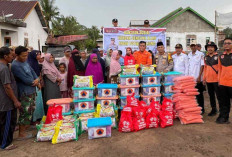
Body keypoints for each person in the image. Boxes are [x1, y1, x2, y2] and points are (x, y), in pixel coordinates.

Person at [11, 46, 39, 139]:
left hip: (31, 90)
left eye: (26, 56)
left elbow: (32, 71)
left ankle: (26, 127)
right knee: (25, 112)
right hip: (24, 92)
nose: (25, 58)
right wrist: (34, 82)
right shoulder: (15, 65)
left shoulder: (25, 62)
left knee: (31, 110)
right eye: (23, 56)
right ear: (17, 55)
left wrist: (37, 79)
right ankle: (21, 134)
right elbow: (25, 79)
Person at [0, 47, 20, 150]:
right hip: (6, 101)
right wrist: (15, 100)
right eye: (11, 55)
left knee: (3, 122)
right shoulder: (3, 68)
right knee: (7, 122)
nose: (12, 57)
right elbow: (7, 87)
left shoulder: (4, 66)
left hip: (3, 101)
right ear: (5, 56)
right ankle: (5, 144)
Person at [216, 38, 232, 124]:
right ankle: (224, 118)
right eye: (225, 43)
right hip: (223, 83)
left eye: (229, 43)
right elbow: (220, 69)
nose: (227, 45)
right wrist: (219, 81)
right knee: (224, 102)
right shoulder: (221, 56)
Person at [203, 42, 220, 116]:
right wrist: (204, 78)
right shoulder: (205, 57)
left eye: (211, 47)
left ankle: (222, 111)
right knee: (211, 96)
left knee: (219, 96)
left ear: (214, 48)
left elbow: (220, 69)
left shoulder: (218, 56)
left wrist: (220, 79)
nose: (209, 48)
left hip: (217, 80)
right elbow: (205, 69)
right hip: (208, 80)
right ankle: (213, 109)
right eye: (208, 47)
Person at [27, 50, 45, 122]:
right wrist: (37, 82)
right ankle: (34, 119)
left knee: (39, 101)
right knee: (35, 101)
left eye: (40, 55)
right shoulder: (30, 63)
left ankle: (38, 117)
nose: (39, 56)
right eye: (38, 55)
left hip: (38, 83)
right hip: (34, 84)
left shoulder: (35, 62)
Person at [188, 44, 205, 114]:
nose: (193, 47)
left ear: (196, 46)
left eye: (194, 46)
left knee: (199, 94)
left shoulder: (200, 54)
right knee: (192, 94)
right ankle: (194, 108)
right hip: (190, 78)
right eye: (191, 46)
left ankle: (202, 109)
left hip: (198, 78)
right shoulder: (189, 55)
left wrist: (199, 76)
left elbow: (202, 65)